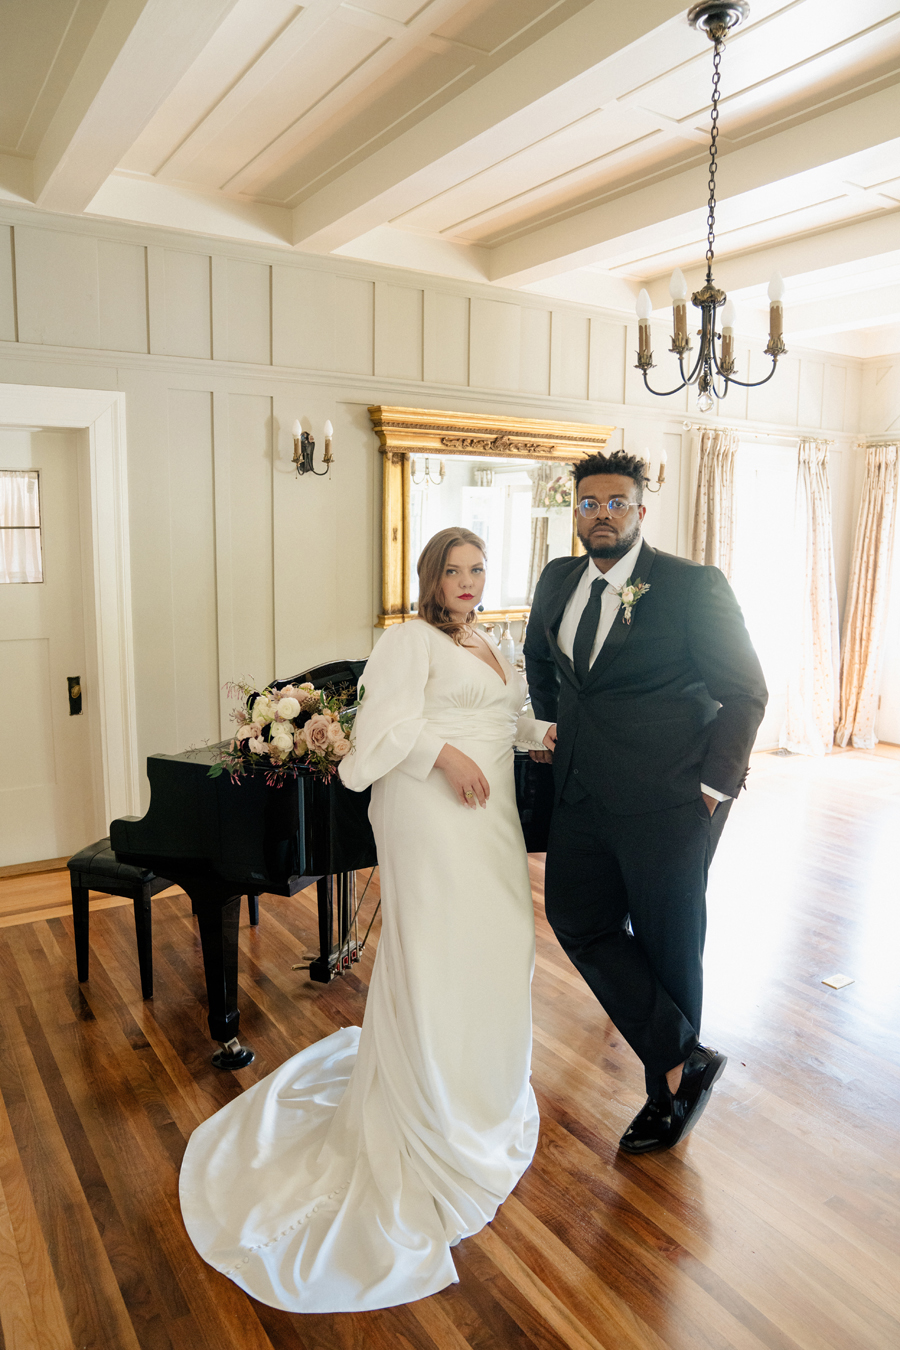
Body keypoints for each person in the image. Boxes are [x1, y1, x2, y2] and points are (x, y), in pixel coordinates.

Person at [179, 527, 555, 1312]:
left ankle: (479, 1090)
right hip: (431, 811)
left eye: (477, 569)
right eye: (453, 570)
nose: (467, 581)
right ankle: (429, 1107)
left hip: (492, 819)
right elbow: (383, 729)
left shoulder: (493, 642)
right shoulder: (409, 640)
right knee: (439, 950)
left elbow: (506, 720)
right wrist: (445, 756)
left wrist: (539, 734)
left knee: (503, 945)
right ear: (430, 577)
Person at [524, 450, 767, 1154]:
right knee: (576, 918)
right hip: (580, 792)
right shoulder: (558, 577)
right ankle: (684, 1057)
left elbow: (745, 691)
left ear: (639, 510)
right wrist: (552, 726)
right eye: (589, 504)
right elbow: (542, 659)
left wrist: (712, 789)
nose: (601, 515)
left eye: (616, 503)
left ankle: (665, 1096)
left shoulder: (691, 586)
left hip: (669, 801)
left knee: (669, 945)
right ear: (575, 512)